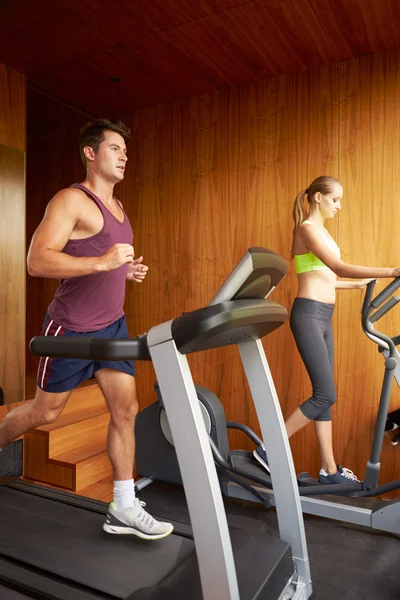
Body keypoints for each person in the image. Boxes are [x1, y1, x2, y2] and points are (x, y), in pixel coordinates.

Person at [0, 119, 173, 540]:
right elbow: (37, 261)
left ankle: (123, 505)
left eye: (125, 150)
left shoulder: (117, 207)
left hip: (112, 327)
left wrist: (123, 270)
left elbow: (100, 257)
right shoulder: (70, 201)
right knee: (46, 411)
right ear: (90, 153)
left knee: (125, 410)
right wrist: (102, 264)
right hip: (71, 329)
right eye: (115, 148)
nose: (124, 155)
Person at [253, 175, 400, 484]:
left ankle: (329, 470)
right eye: (335, 200)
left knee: (324, 395)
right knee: (326, 394)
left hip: (323, 316)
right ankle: (268, 448)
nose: (339, 205)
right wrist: (391, 271)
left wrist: (362, 283)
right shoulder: (306, 230)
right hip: (307, 316)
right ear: (317, 198)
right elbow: (338, 267)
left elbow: (330, 279)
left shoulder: (322, 233)